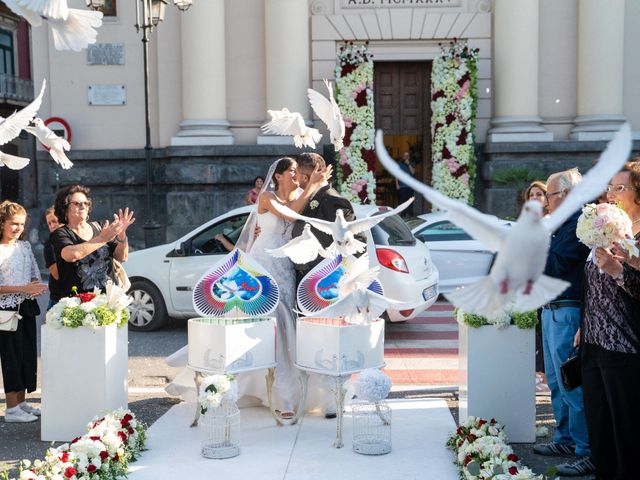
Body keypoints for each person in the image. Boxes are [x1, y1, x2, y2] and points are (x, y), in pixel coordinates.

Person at [533, 168, 594, 477]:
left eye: (551, 195)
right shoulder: (561, 225)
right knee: (556, 383)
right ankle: (566, 438)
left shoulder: (576, 224)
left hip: (567, 310)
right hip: (553, 308)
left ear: (568, 195)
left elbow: (556, 266)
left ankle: (585, 451)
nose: (547, 203)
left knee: (571, 383)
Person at [581, 160, 640, 480]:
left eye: (620, 188)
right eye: (610, 187)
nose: (612, 193)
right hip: (594, 343)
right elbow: (592, 289)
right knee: (599, 425)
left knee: (627, 428)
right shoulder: (605, 229)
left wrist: (619, 271)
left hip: (626, 346)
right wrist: (582, 326)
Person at [0, 201, 48, 423]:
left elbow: (33, 273)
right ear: (2, 224)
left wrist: (35, 285)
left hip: (26, 306)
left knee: (27, 355)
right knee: (11, 356)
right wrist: (23, 288)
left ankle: (21, 402)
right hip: (6, 309)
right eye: (13, 224)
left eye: (21, 224)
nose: (18, 228)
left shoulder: (25, 247)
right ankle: (11, 409)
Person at [49, 184, 135, 304]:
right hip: (78, 305)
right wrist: (102, 238)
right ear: (65, 208)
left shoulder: (100, 227)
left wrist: (122, 234)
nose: (83, 206)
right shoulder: (60, 233)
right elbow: (71, 255)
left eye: (86, 203)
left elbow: (122, 257)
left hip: (108, 301)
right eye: (77, 203)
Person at [292, 152, 357, 287]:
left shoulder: (333, 200)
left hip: (324, 280)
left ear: (305, 178)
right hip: (307, 275)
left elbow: (355, 239)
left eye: (296, 173)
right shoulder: (306, 197)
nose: (294, 177)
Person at [43, 206, 63, 310]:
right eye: (49, 223)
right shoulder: (50, 244)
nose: (52, 226)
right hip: (58, 299)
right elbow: (57, 274)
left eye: (55, 221)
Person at [395, 152, 415, 217]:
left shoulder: (412, 163)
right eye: (404, 155)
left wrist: (409, 164)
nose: (406, 157)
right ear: (403, 157)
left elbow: (413, 172)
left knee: (410, 201)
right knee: (403, 201)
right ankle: (403, 215)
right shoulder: (400, 164)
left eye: (407, 155)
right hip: (403, 186)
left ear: (409, 157)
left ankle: (410, 215)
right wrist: (397, 184)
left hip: (410, 186)